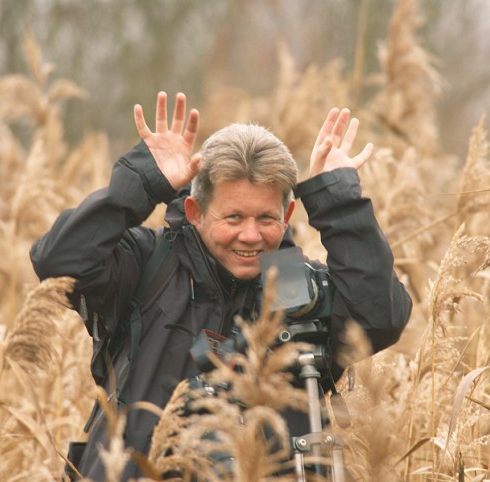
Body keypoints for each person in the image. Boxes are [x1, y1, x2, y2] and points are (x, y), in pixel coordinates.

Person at [30, 91, 412, 480]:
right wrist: (142, 182)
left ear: (288, 214)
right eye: (233, 217)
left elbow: (380, 316)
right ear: (195, 212)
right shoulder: (145, 267)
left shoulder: (301, 291)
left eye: (266, 218)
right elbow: (57, 260)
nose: (251, 236)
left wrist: (338, 201)